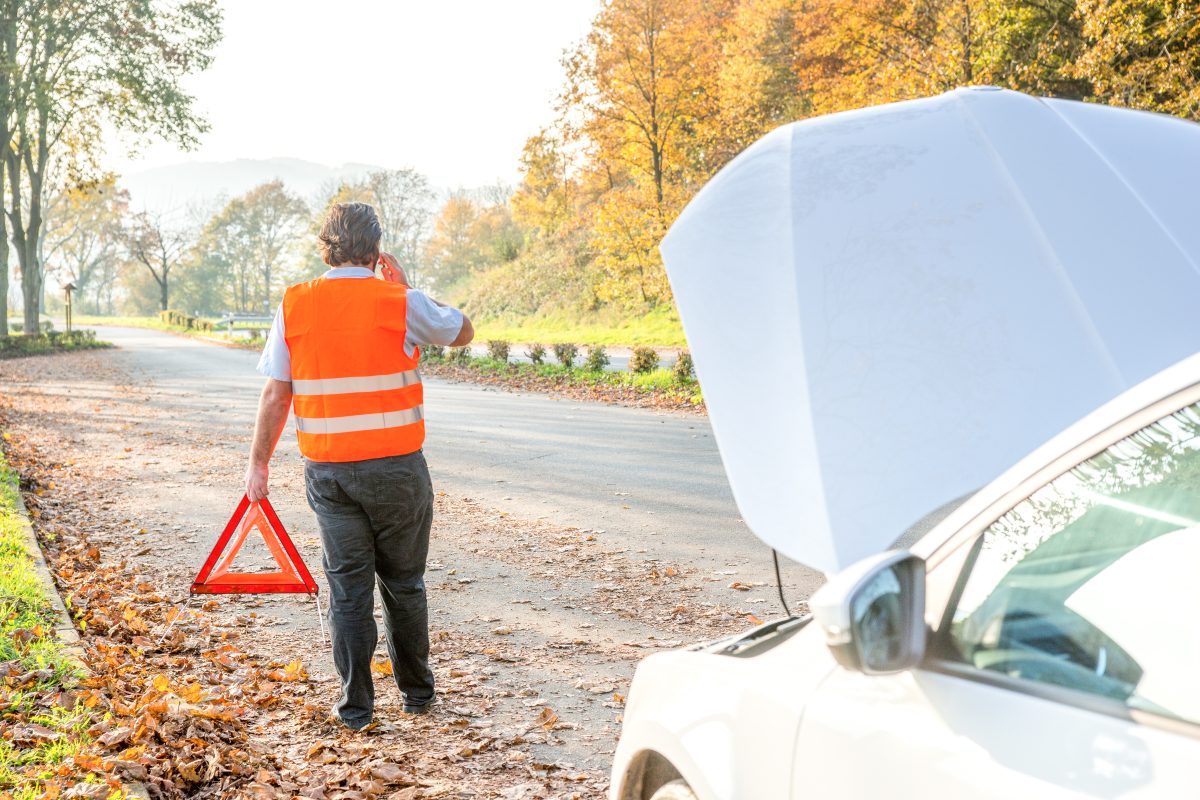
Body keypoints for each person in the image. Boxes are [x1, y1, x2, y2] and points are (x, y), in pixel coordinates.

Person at [244, 202, 473, 729]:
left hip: (329, 473)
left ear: (325, 246)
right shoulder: (398, 300)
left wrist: (259, 465)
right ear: (376, 250)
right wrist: (409, 289)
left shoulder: (295, 304)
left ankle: (356, 710)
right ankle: (417, 695)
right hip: (398, 471)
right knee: (405, 585)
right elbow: (462, 332)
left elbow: (277, 395)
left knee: (348, 591)